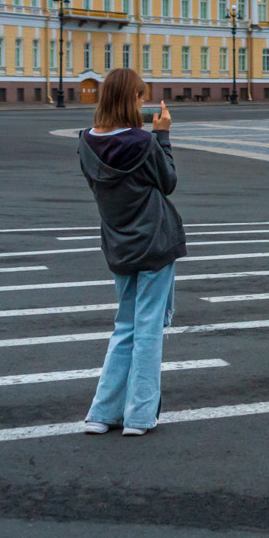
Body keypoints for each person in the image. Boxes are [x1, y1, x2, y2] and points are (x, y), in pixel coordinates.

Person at [79, 66, 185, 436]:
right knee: (149, 330)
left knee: (124, 327)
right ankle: (139, 416)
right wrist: (162, 135)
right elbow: (168, 182)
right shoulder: (143, 143)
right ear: (129, 100)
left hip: (118, 243)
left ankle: (101, 413)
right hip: (153, 242)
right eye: (140, 96)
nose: (143, 102)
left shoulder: (86, 141)